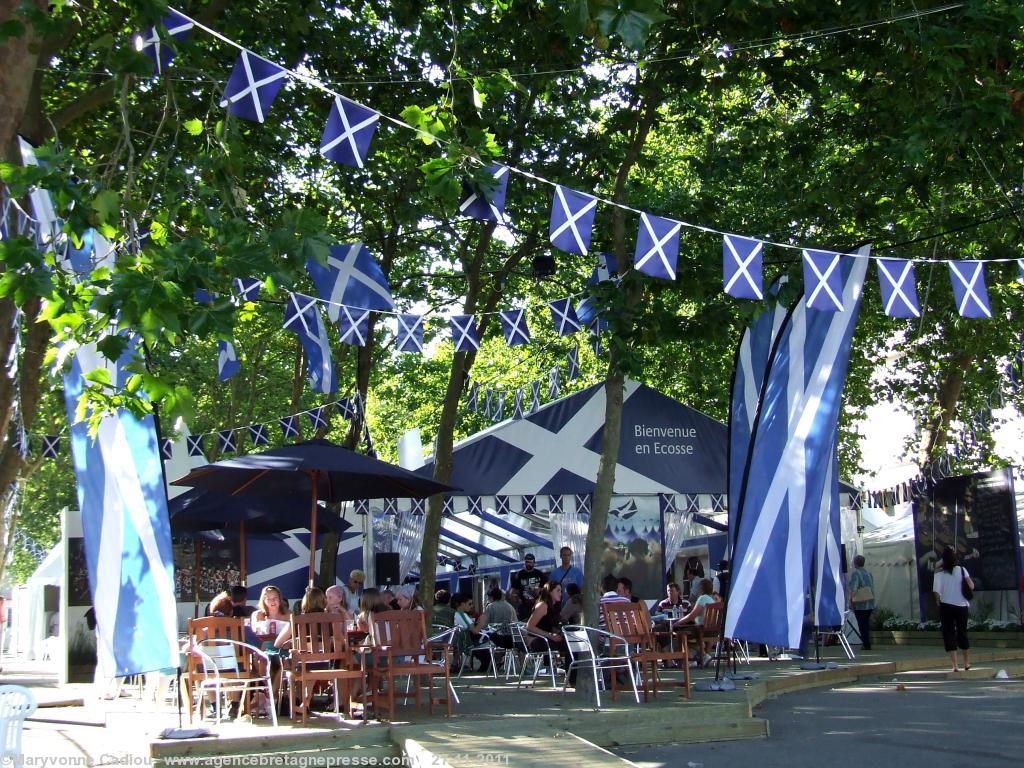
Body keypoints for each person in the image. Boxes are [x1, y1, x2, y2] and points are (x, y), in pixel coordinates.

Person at [933, 546, 974, 672]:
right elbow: (971, 585)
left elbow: (936, 591)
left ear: (943, 559)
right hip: (962, 605)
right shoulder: (962, 570)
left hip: (946, 606)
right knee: (962, 632)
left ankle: (955, 665)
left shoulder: (939, 573)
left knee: (949, 633)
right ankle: (966, 662)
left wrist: (938, 602)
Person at [526, 582, 567, 667]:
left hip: (546, 638)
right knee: (568, 644)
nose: (560, 593)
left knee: (571, 642)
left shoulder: (553, 606)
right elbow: (529, 626)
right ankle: (570, 672)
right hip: (536, 640)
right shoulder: (542, 605)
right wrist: (550, 635)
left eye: (561, 591)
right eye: (558, 591)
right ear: (549, 592)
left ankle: (567, 669)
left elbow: (548, 625)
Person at [848, 554, 875, 651]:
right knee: (866, 624)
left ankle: (866, 644)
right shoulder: (868, 573)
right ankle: (867, 643)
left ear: (855, 563)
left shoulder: (856, 574)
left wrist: (851, 601)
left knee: (862, 624)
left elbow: (853, 589)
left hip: (860, 604)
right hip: (870, 603)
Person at [510, 553, 546, 618]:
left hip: (538, 605)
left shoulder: (540, 574)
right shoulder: (518, 575)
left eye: (530, 562)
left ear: (534, 563)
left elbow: (548, 588)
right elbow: (513, 591)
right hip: (524, 607)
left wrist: (540, 589)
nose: (528, 564)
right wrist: (516, 599)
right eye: (526, 562)